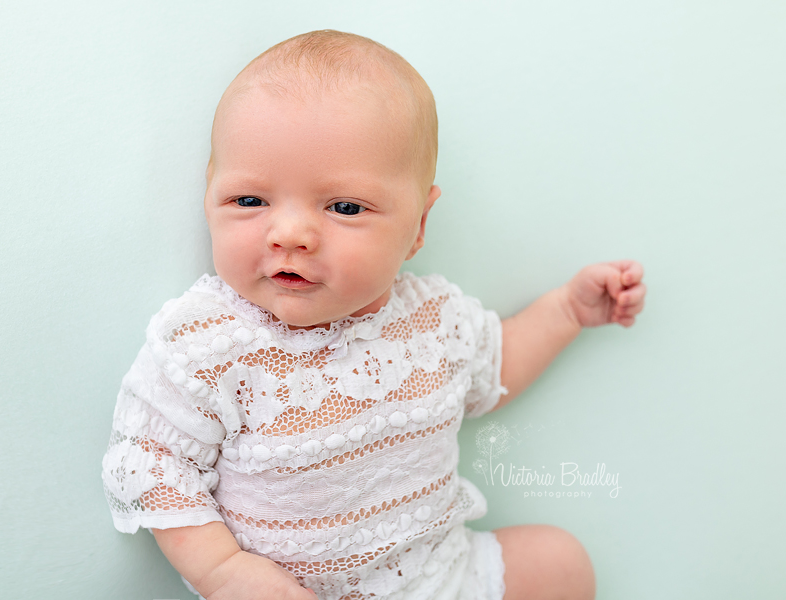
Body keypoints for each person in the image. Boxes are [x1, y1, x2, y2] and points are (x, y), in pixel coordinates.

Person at [101, 29, 646, 600]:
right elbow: (150, 463)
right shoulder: (206, 342)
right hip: (295, 592)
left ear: (418, 227)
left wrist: (566, 311)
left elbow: (498, 364)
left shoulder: (432, 319)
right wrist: (222, 570)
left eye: (343, 207)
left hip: (442, 576)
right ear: (209, 195)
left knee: (561, 562)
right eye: (250, 201)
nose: (289, 234)